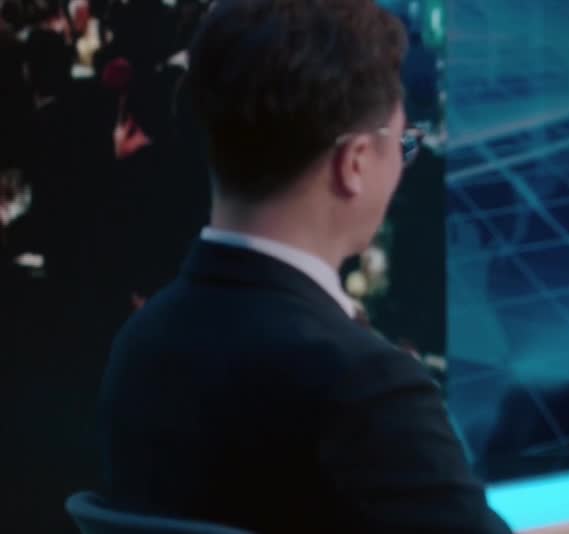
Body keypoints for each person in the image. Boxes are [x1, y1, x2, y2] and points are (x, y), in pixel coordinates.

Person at [95, 0, 510, 531]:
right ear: (354, 163)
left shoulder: (138, 347)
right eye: (403, 145)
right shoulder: (368, 390)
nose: (403, 165)